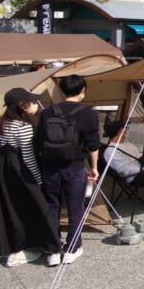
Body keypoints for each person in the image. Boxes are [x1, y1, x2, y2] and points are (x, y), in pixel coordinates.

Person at [0, 87, 62, 267]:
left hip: (2, 174)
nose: (35, 104)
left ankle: (9, 244)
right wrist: (39, 180)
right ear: (23, 106)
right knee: (39, 208)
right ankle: (51, 247)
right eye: (32, 102)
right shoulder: (23, 127)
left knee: (9, 209)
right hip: (22, 174)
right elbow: (28, 158)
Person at [36, 74, 100, 266]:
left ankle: (53, 249)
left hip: (49, 167)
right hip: (74, 166)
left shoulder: (48, 112)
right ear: (82, 90)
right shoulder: (88, 113)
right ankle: (72, 247)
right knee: (75, 207)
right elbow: (93, 144)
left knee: (51, 207)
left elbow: (38, 141)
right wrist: (94, 167)